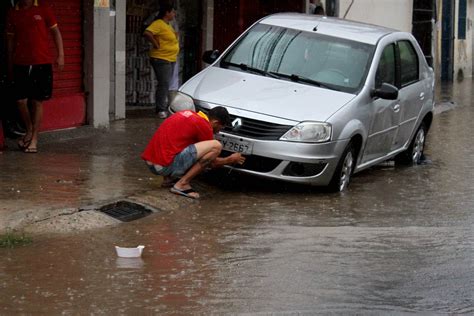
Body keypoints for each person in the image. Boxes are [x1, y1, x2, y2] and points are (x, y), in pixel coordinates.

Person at [142, 106, 246, 199]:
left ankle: (168, 180)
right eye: (221, 128)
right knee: (216, 146)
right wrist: (230, 159)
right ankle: (182, 184)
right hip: (163, 167)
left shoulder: (188, 114)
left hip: (151, 162)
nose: (219, 131)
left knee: (179, 143)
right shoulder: (204, 125)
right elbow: (211, 162)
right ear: (215, 123)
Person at [6, 0, 64, 153]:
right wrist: (10, 62)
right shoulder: (13, 12)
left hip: (42, 62)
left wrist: (61, 55)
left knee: (37, 101)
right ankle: (30, 129)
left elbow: (56, 32)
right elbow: (11, 40)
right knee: (20, 100)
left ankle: (34, 139)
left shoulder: (44, 9)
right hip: (20, 62)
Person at [143, 4, 179, 119]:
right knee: (164, 84)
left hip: (170, 58)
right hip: (161, 58)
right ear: (166, 13)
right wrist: (155, 43)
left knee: (166, 84)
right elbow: (147, 32)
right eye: (172, 12)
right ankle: (160, 109)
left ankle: (164, 106)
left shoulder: (168, 25)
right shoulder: (158, 23)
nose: (174, 14)